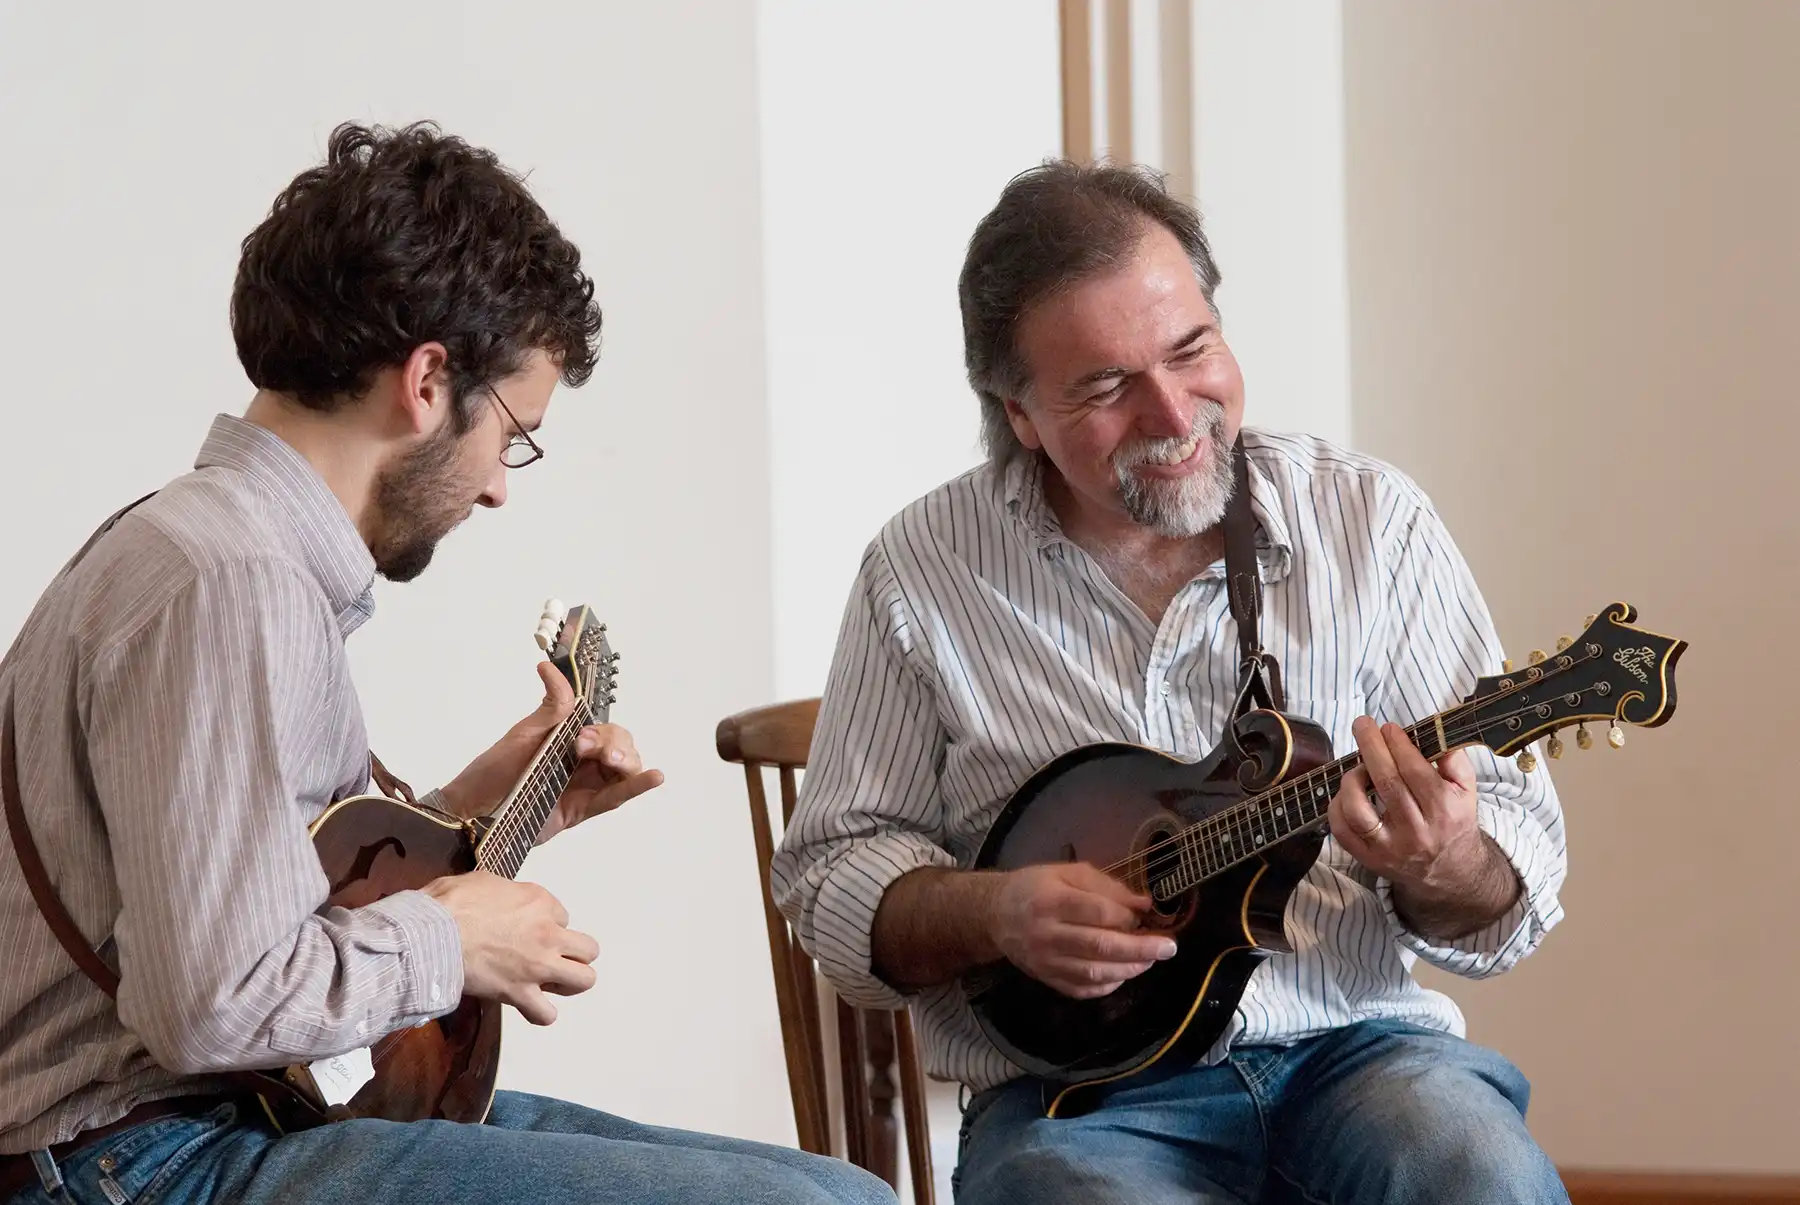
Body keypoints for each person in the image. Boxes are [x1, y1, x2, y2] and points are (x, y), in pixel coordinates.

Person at [0, 122, 892, 1205]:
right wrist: (450, 937)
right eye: (512, 431)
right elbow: (212, 1001)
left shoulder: (218, 551)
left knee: (843, 1189)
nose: (499, 485)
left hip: (215, 1122)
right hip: (138, 1159)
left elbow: (255, 900)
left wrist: (489, 804)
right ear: (428, 381)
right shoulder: (231, 581)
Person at [771, 160, 1570, 1204]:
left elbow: (1516, 888)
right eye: (1105, 386)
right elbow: (830, 872)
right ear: (1019, 413)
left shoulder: (1372, 522)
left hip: (1358, 1052)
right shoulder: (920, 569)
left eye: (1192, 349)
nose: (1171, 410)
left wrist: (1446, 857)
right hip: (1078, 1097)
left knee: (1481, 1169)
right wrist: (993, 911)